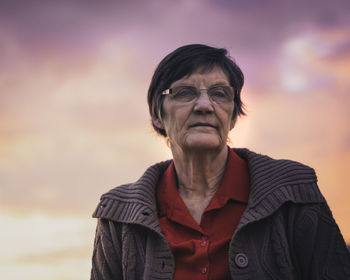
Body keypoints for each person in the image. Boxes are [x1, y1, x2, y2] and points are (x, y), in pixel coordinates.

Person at [90, 44, 350, 279]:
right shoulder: (118, 216)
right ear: (158, 116)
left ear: (233, 117)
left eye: (219, 94)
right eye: (184, 92)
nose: (205, 105)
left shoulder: (293, 192)